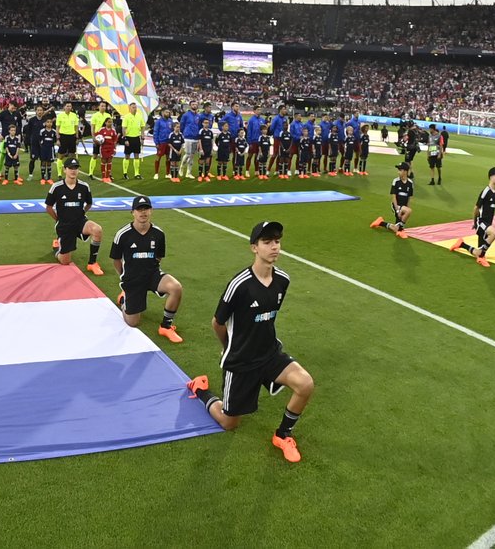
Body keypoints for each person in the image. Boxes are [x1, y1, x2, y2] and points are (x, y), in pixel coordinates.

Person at [186, 221, 313, 463]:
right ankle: (200, 389)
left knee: (305, 384)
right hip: (241, 361)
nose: (274, 247)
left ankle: (283, 435)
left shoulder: (283, 280)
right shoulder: (240, 284)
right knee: (228, 423)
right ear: (254, 247)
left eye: (277, 241)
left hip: (269, 354)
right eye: (267, 242)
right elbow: (217, 323)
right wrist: (230, 347)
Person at [109, 196, 184, 344]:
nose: (143, 213)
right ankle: (125, 298)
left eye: (146, 209)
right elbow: (116, 260)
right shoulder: (122, 234)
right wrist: (124, 277)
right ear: (133, 212)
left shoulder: (158, 234)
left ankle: (166, 326)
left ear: (151, 211)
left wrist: (151, 270)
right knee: (133, 322)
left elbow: (158, 257)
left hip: (152, 274)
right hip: (133, 279)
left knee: (176, 288)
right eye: (139, 209)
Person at [44, 157, 103, 276]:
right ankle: (57, 247)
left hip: (80, 221)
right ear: (64, 170)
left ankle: (92, 263)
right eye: (70, 168)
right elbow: (48, 207)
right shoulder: (56, 187)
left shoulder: (84, 186)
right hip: (65, 224)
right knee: (65, 261)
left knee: (97, 230)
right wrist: (58, 219)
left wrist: (81, 213)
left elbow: (89, 203)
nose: (73, 171)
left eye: (76, 168)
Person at [450, 167, 495, 267]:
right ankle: (481, 256)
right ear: (491, 177)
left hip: (488, 223)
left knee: (479, 252)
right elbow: (476, 208)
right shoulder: (486, 191)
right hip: (481, 222)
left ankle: (462, 244)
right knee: (494, 233)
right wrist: (475, 222)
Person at [370, 162, 413, 238]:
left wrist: (406, 208)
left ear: (405, 171)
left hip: (403, 207)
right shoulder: (396, 181)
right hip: (396, 206)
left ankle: (381, 222)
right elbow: (393, 197)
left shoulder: (410, 183)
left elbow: (409, 197)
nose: (398, 172)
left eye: (400, 170)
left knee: (396, 228)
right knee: (409, 211)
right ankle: (400, 230)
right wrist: (397, 210)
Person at [119, 101, 147, 180]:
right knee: (127, 155)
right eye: (133, 107)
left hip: (136, 138)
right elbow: (123, 128)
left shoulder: (139, 116)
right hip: (129, 137)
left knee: (136, 155)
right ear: (129, 108)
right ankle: (125, 173)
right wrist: (125, 139)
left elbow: (142, 126)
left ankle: (137, 173)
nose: (135, 109)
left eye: (135, 107)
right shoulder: (126, 117)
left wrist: (142, 136)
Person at [86, 101, 112, 178]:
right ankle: (91, 173)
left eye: (104, 106)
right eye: (102, 106)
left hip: (106, 138)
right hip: (98, 137)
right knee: (95, 155)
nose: (103, 107)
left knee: (107, 157)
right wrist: (93, 137)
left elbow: (110, 126)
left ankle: (108, 174)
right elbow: (92, 127)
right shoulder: (95, 116)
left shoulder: (108, 115)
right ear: (99, 107)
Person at [54, 102, 80, 178]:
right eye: (67, 106)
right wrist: (58, 139)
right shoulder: (60, 116)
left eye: (70, 106)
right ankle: (59, 174)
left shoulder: (74, 115)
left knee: (72, 155)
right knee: (60, 155)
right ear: (64, 107)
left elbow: (76, 127)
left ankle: (70, 171)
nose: (69, 107)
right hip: (63, 136)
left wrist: (77, 137)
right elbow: (57, 128)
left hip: (72, 136)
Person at [179, 100, 201, 178]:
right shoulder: (186, 115)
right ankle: (181, 167)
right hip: (188, 137)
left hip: (195, 137)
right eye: (193, 104)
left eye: (196, 104)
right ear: (190, 106)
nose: (194, 105)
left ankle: (188, 172)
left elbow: (199, 126)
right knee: (187, 154)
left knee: (192, 155)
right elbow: (181, 125)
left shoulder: (199, 116)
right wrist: (184, 133)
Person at [36, 117, 58, 185]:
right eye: (47, 122)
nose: (49, 123)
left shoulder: (54, 131)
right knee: (43, 162)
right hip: (43, 149)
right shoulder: (42, 131)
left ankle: (49, 178)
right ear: (45, 123)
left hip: (50, 149)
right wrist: (42, 147)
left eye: (50, 122)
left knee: (49, 162)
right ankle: (43, 178)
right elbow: (39, 140)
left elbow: (55, 140)